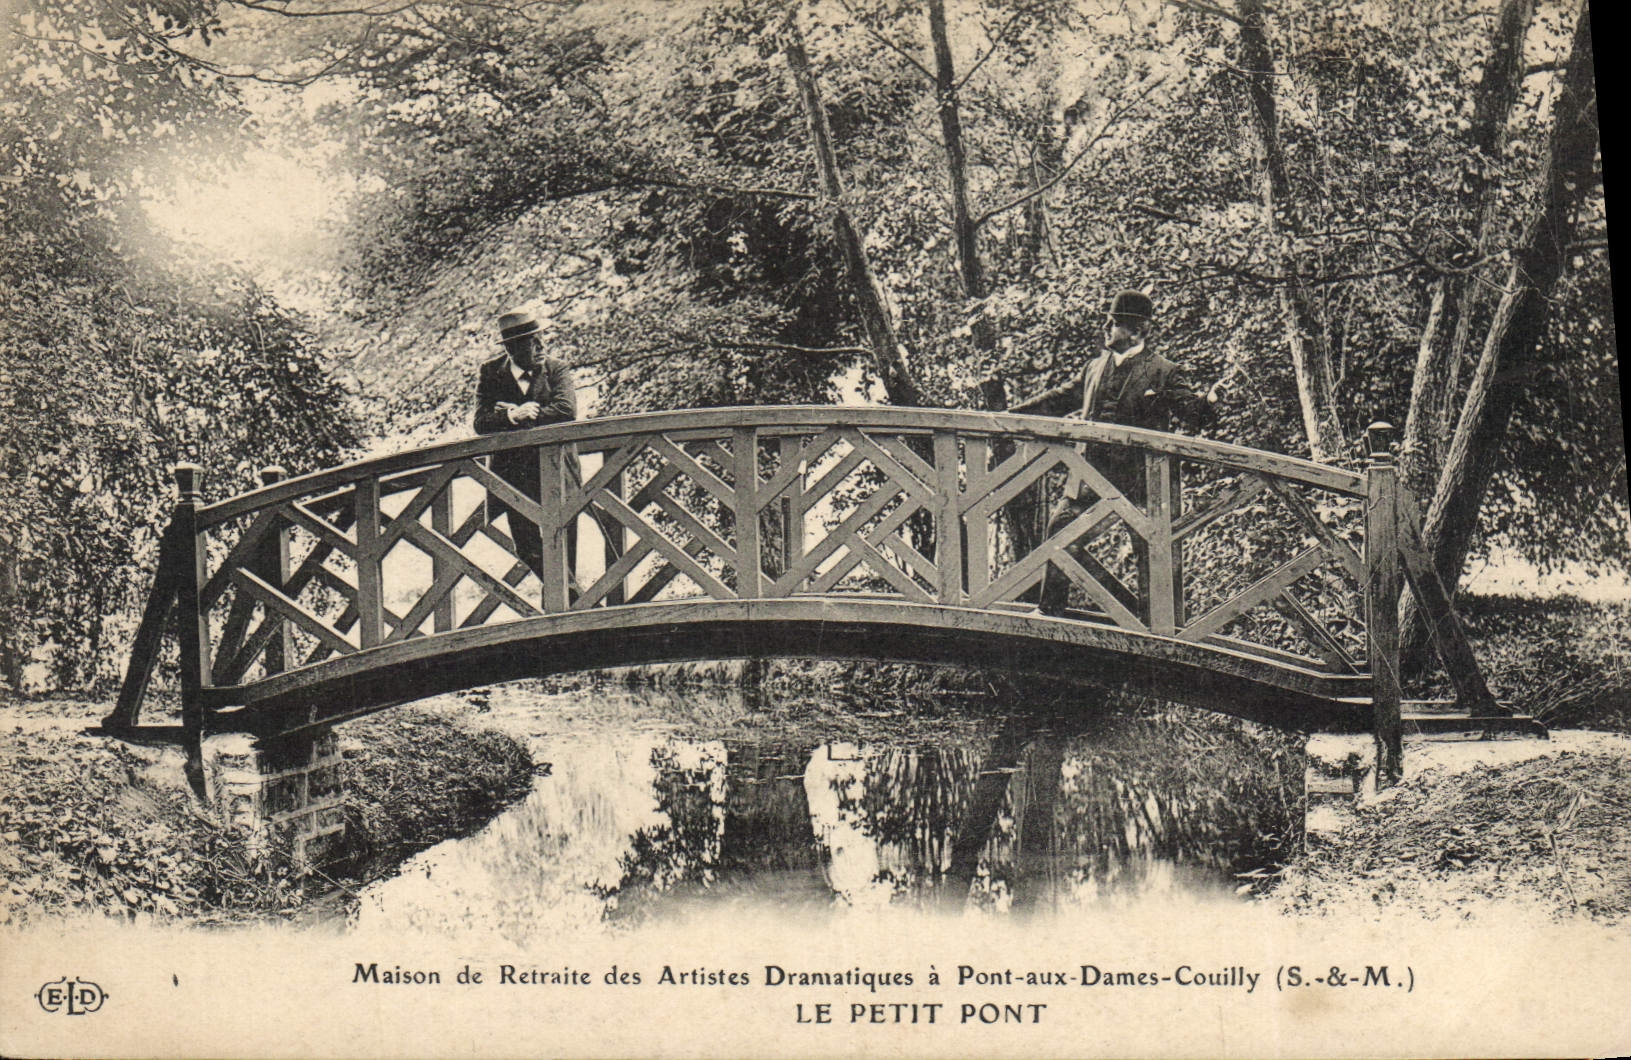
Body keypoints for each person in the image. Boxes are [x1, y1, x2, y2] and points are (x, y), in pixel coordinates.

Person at [1010, 290, 1225, 617]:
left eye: (1114, 324)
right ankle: (1049, 610)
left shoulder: (1163, 371)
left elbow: (1193, 414)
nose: (1106, 328)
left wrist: (1210, 402)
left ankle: (1155, 628)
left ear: (1137, 331)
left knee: (1149, 554)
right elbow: (1056, 399)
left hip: (1138, 485)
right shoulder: (1093, 368)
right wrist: (1012, 414)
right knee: (1058, 531)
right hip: (1088, 477)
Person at [473, 309, 579, 582]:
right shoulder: (491, 372)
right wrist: (511, 415)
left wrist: (529, 413)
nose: (542, 346)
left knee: (564, 543)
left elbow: (566, 411)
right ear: (512, 347)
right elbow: (481, 423)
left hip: (558, 472)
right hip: (514, 477)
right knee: (527, 548)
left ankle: (565, 610)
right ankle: (574, 604)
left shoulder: (557, 369)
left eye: (541, 338)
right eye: (533, 341)